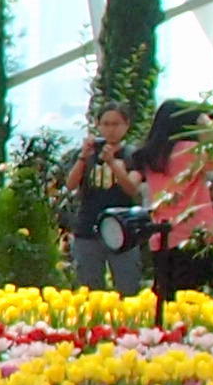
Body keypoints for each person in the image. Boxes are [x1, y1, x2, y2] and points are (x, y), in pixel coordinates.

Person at [135, 100, 213, 322]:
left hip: (162, 234)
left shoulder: (151, 154)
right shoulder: (192, 150)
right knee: (194, 304)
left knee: (167, 302)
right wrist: (206, 124)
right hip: (193, 233)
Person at [62, 103, 149, 294]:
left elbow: (132, 189)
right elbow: (70, 185)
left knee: (128, 288)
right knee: (89, 289)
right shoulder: (87, 154)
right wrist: (83, 157)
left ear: (126, 125)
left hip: (123, 229)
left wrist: (112, 162)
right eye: (106, 124)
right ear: (98, 125)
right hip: (88, 227)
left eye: (116, 124)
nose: (111, 130)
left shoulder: (133, 155)